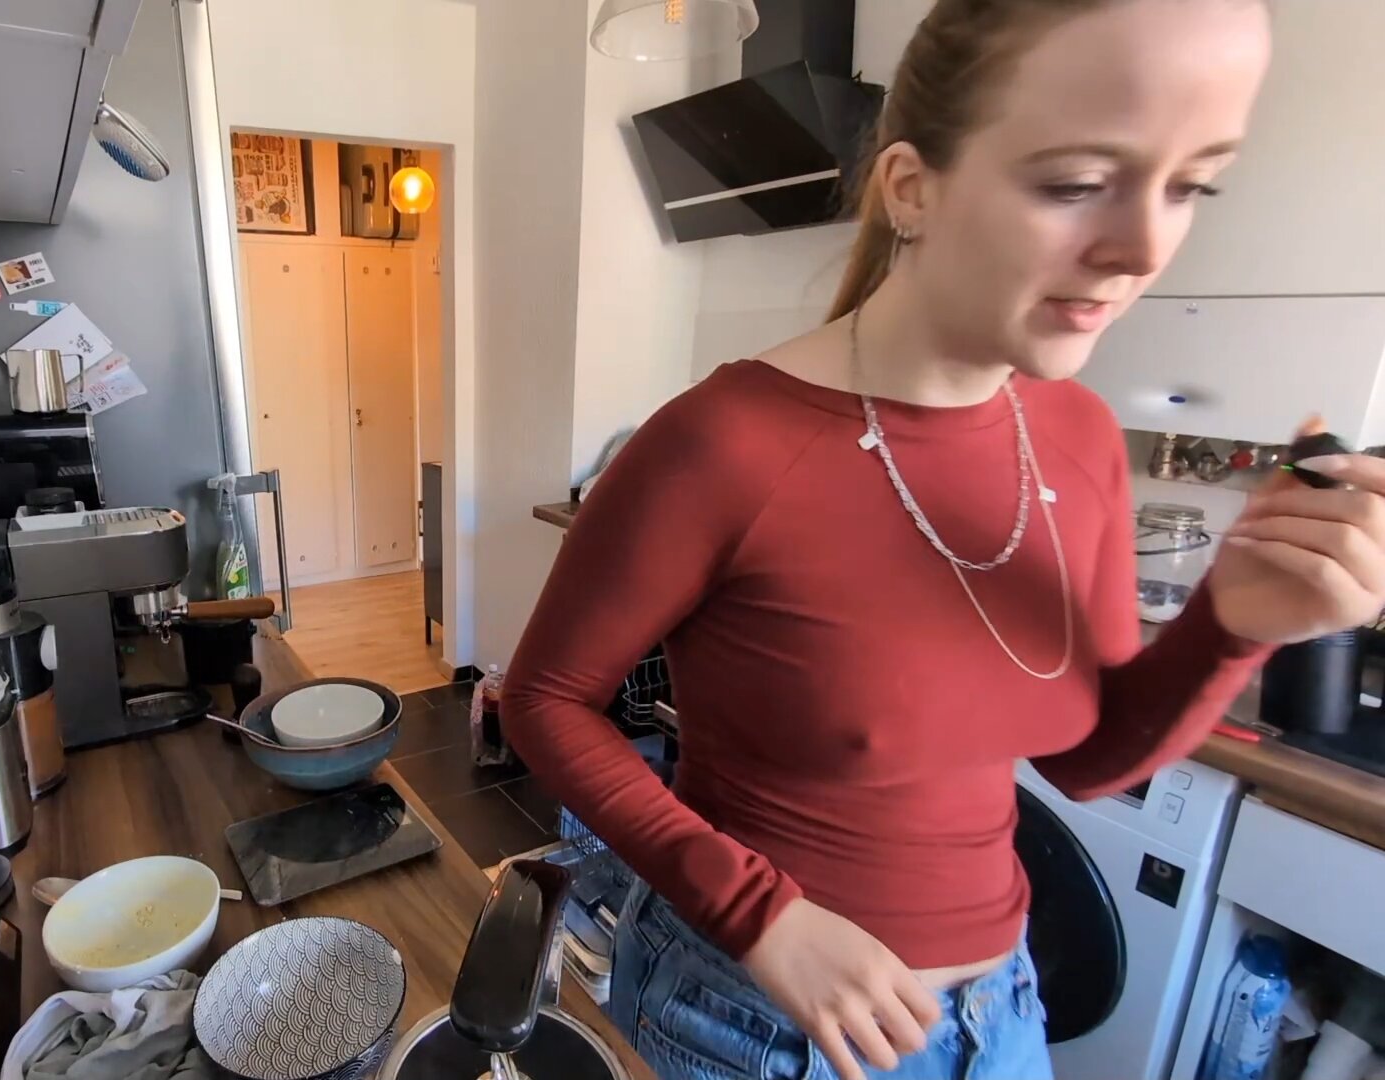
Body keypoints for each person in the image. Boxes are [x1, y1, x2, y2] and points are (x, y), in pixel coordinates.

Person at [501, 2, 1385, 1078]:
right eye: (1076, 182)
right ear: (913, 188)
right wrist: (757, 912)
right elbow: (545, 699)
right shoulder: (727, 441)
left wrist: (1233, 624)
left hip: (1000, 1018)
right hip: (752, 1025)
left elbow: (1084, 758)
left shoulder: (1081, 438)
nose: (1144, 248)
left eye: (1192, 186)